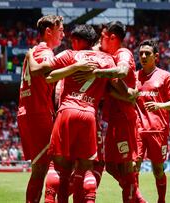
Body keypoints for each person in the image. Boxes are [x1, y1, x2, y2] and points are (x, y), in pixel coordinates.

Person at [27, 24, 113, 203]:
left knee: (58, 166)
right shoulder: (107, 60)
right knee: (86, 167)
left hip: (66, 111)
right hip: (89, 114)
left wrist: (30, 56)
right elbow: (117, 84)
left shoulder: (68, 55)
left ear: (76, 40)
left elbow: (46, 74)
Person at [94, 21, 146, 203]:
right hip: (115, 118)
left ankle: (136, 197)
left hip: (124, 118)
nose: (100, 41)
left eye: (102, 36)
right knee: (110, 166)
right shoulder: (110, 55)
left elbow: (121, 72)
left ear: (112, 37)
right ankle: (135, 194)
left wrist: (100, 73)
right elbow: (114, 87)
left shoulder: (123, 53)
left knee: (125, 169)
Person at [16, 14, 65, 203]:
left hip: (26, 112)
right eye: (60, 30)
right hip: (39, 113)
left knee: (39, 167)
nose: (63, 34)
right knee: (46, 166)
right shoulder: (45, 53)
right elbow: (50, 75)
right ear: (48, 31)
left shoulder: (33, 52)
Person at [135, 39, 170, 203]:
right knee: (134, 168)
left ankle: (161, 200)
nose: (144, 56)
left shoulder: (165, 76)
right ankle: (136, 200)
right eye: (141, 54)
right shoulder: (134, 76)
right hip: (138, 129)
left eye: (147, 53)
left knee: (158, 170)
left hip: (157, 130)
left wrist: (159, 105)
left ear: (156, 56)